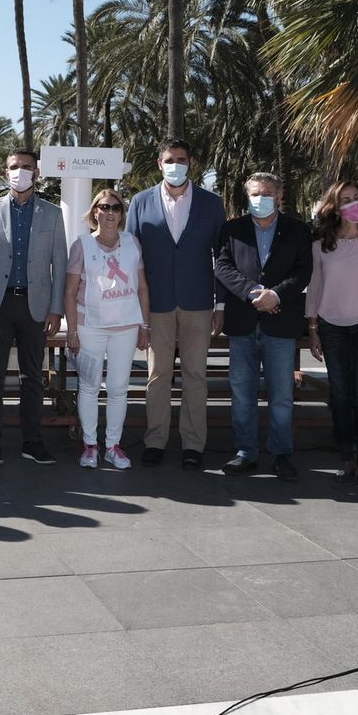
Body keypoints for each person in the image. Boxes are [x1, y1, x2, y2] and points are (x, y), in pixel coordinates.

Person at [126, 138, 223, 469]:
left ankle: (194, 445)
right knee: (158, 374)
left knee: (196, 375)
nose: (175, 165)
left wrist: (220, 304)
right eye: (170, 159)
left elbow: (223, 258)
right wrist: (134, 310)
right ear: (159, 163)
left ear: (190, 162)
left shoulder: (212, 203)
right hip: (157, 303)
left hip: (198, 303)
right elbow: (130, 257)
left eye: (181, 159)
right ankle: (155, 441)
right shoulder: (140, 202)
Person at [0, 148, 67, 467]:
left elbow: (60, 265)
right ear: (4, 173)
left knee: (33, 378)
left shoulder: (52, 214)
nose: (20, 172)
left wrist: (56, 309)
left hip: (35, 307)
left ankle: (32, 441)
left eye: (26, 167)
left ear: (36, 173)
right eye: (14, 167)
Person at [215, 172, 312, 481]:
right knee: (242, 392)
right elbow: (222, 266)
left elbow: (304, 271)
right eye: (255, 194)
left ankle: (281, 454)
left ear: (279, 195)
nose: (261, 198)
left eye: (267, 193)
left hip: (281, 322)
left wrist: (276, 295)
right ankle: (245, 452)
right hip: (243, 321)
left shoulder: (297, 230)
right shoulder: (233, 229)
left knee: (281, 394)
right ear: (248, 197)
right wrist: (251, 292)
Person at [307, 180, 358, 486]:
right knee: (340, 394)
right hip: (332, 327)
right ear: (334, 208)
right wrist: (313, 328)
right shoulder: (321, 245)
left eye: (357, 197)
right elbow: (315, 286)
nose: (353, 204)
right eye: (345, 200)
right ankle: (346, 457)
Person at [66, 188, 149, 470]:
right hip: (90, 327)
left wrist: (144, 325)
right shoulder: (81, 246)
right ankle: (90, 445)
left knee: (117, 389)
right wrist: (72, 331)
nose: (110, 212)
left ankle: (113, 445)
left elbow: (142, 287)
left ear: (122, 214)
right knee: (89, 387)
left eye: (115, 207)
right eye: (104, 207)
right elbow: (69, 292)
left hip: (125, 328)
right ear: (94, 212)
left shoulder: (132, 243)